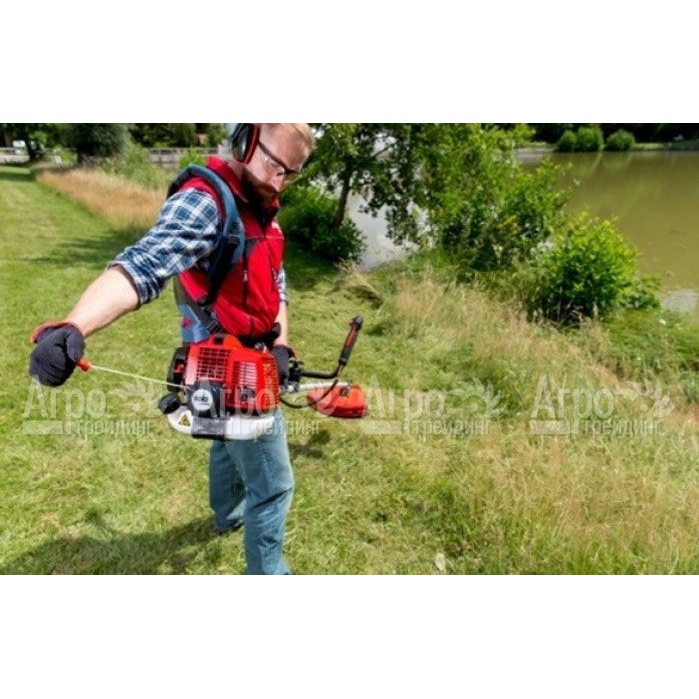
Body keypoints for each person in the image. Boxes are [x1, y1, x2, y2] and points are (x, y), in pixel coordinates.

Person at [29, 123, 315, 575]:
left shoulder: (264, 209)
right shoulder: (207, 202)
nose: (277, 181)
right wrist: (74, 325)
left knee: (223, 442)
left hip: (255, 358)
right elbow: (145, 263)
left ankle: (228, 516)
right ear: (244, 141)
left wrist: (280, 345)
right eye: (272, 163)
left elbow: (276, 282)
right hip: (230, 365)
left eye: (289, 173)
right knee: (275, 486)